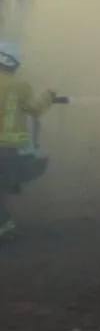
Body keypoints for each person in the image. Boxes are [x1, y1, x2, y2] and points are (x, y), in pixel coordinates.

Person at [0, 41, 64, 241]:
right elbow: (35, 110)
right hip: (7, 147)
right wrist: (49, 96)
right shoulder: (20, 86)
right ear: (15, 65)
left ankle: (4, 224)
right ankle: (3, 226)